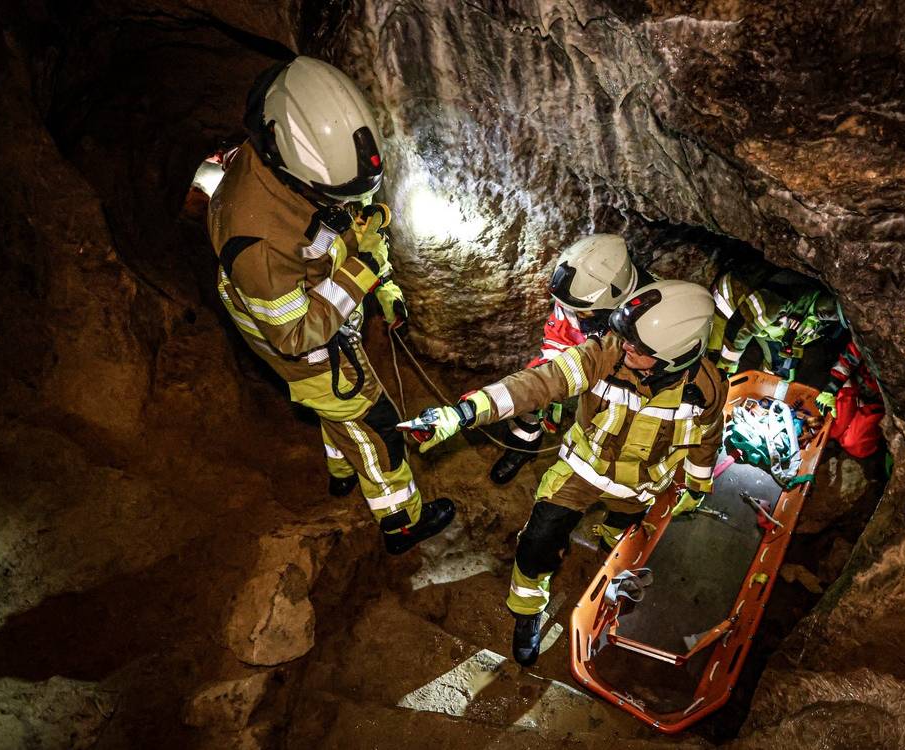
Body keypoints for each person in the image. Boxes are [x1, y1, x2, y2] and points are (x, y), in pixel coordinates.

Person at [208, 56, 454, 554]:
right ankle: (401, 523)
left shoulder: (292, 169)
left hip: (316, 317)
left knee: (338, 419)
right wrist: (363, 271)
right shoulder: (257, 243)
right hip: (307, 351)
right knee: (376, 428)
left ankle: (341, 471)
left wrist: (381, 286)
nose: (348, 206)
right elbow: (294, 335)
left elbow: (341, 234)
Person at [410, 280, 724, 665]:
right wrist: (464, 414)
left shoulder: (706, 391)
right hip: (583, 472)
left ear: (675, 357)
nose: (625, 346)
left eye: (638, 348)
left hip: (638, 489)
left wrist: (697, 484)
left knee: (621, 537)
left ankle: (613, 548)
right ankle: (526, 612)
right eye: (626, 339)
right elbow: (541, 382)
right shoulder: (605, 356)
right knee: (538, 542)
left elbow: (706, 438)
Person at [489, 234, 655, 484]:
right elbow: (559, 336)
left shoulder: (652, 318)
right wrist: (552, 376)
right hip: (584, 360)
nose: (573, 312)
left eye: (581, 310)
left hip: (620, 385)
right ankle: (523, 446)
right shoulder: (579, 294)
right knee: (534, 386)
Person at [706, 270, 840, 380]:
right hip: (730, 302)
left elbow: (795, 345)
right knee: (714, 359)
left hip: (765, 327)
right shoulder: (780, 301)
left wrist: (786, 377)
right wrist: (726, 368)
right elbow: (738, 327)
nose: (831, 314)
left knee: (776, 367)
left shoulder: (822, 324)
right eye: (834, 305)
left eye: (837, 315)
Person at [815, 337, 885, 458]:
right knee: (831, 429)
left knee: (856, 445)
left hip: (878, 402)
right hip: (855, 387)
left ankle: (853, 435)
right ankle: (842, 436)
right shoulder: (874, 337)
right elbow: (851, 354)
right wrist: (831, 389)